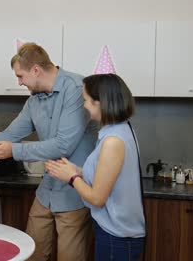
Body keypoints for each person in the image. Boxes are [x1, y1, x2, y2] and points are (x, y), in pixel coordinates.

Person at [0, 42, 98, 260]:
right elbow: (9, 134)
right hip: (47, 191)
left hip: (74, 192)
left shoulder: (75, 89)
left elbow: (63, 145)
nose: (19, 82)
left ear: (36, 70)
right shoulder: (35, 100)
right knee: (31, 253)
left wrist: (14, 151)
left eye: (21, 76)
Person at [45, 74, 146, 260]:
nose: (84, 105)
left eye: (86, 101)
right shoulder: (123, 129)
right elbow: (109, 176)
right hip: (120, 234)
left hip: (117, 237)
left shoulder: (112, 141)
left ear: (101, 102)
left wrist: (72, 178)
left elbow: (97, 198)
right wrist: (78, 171)